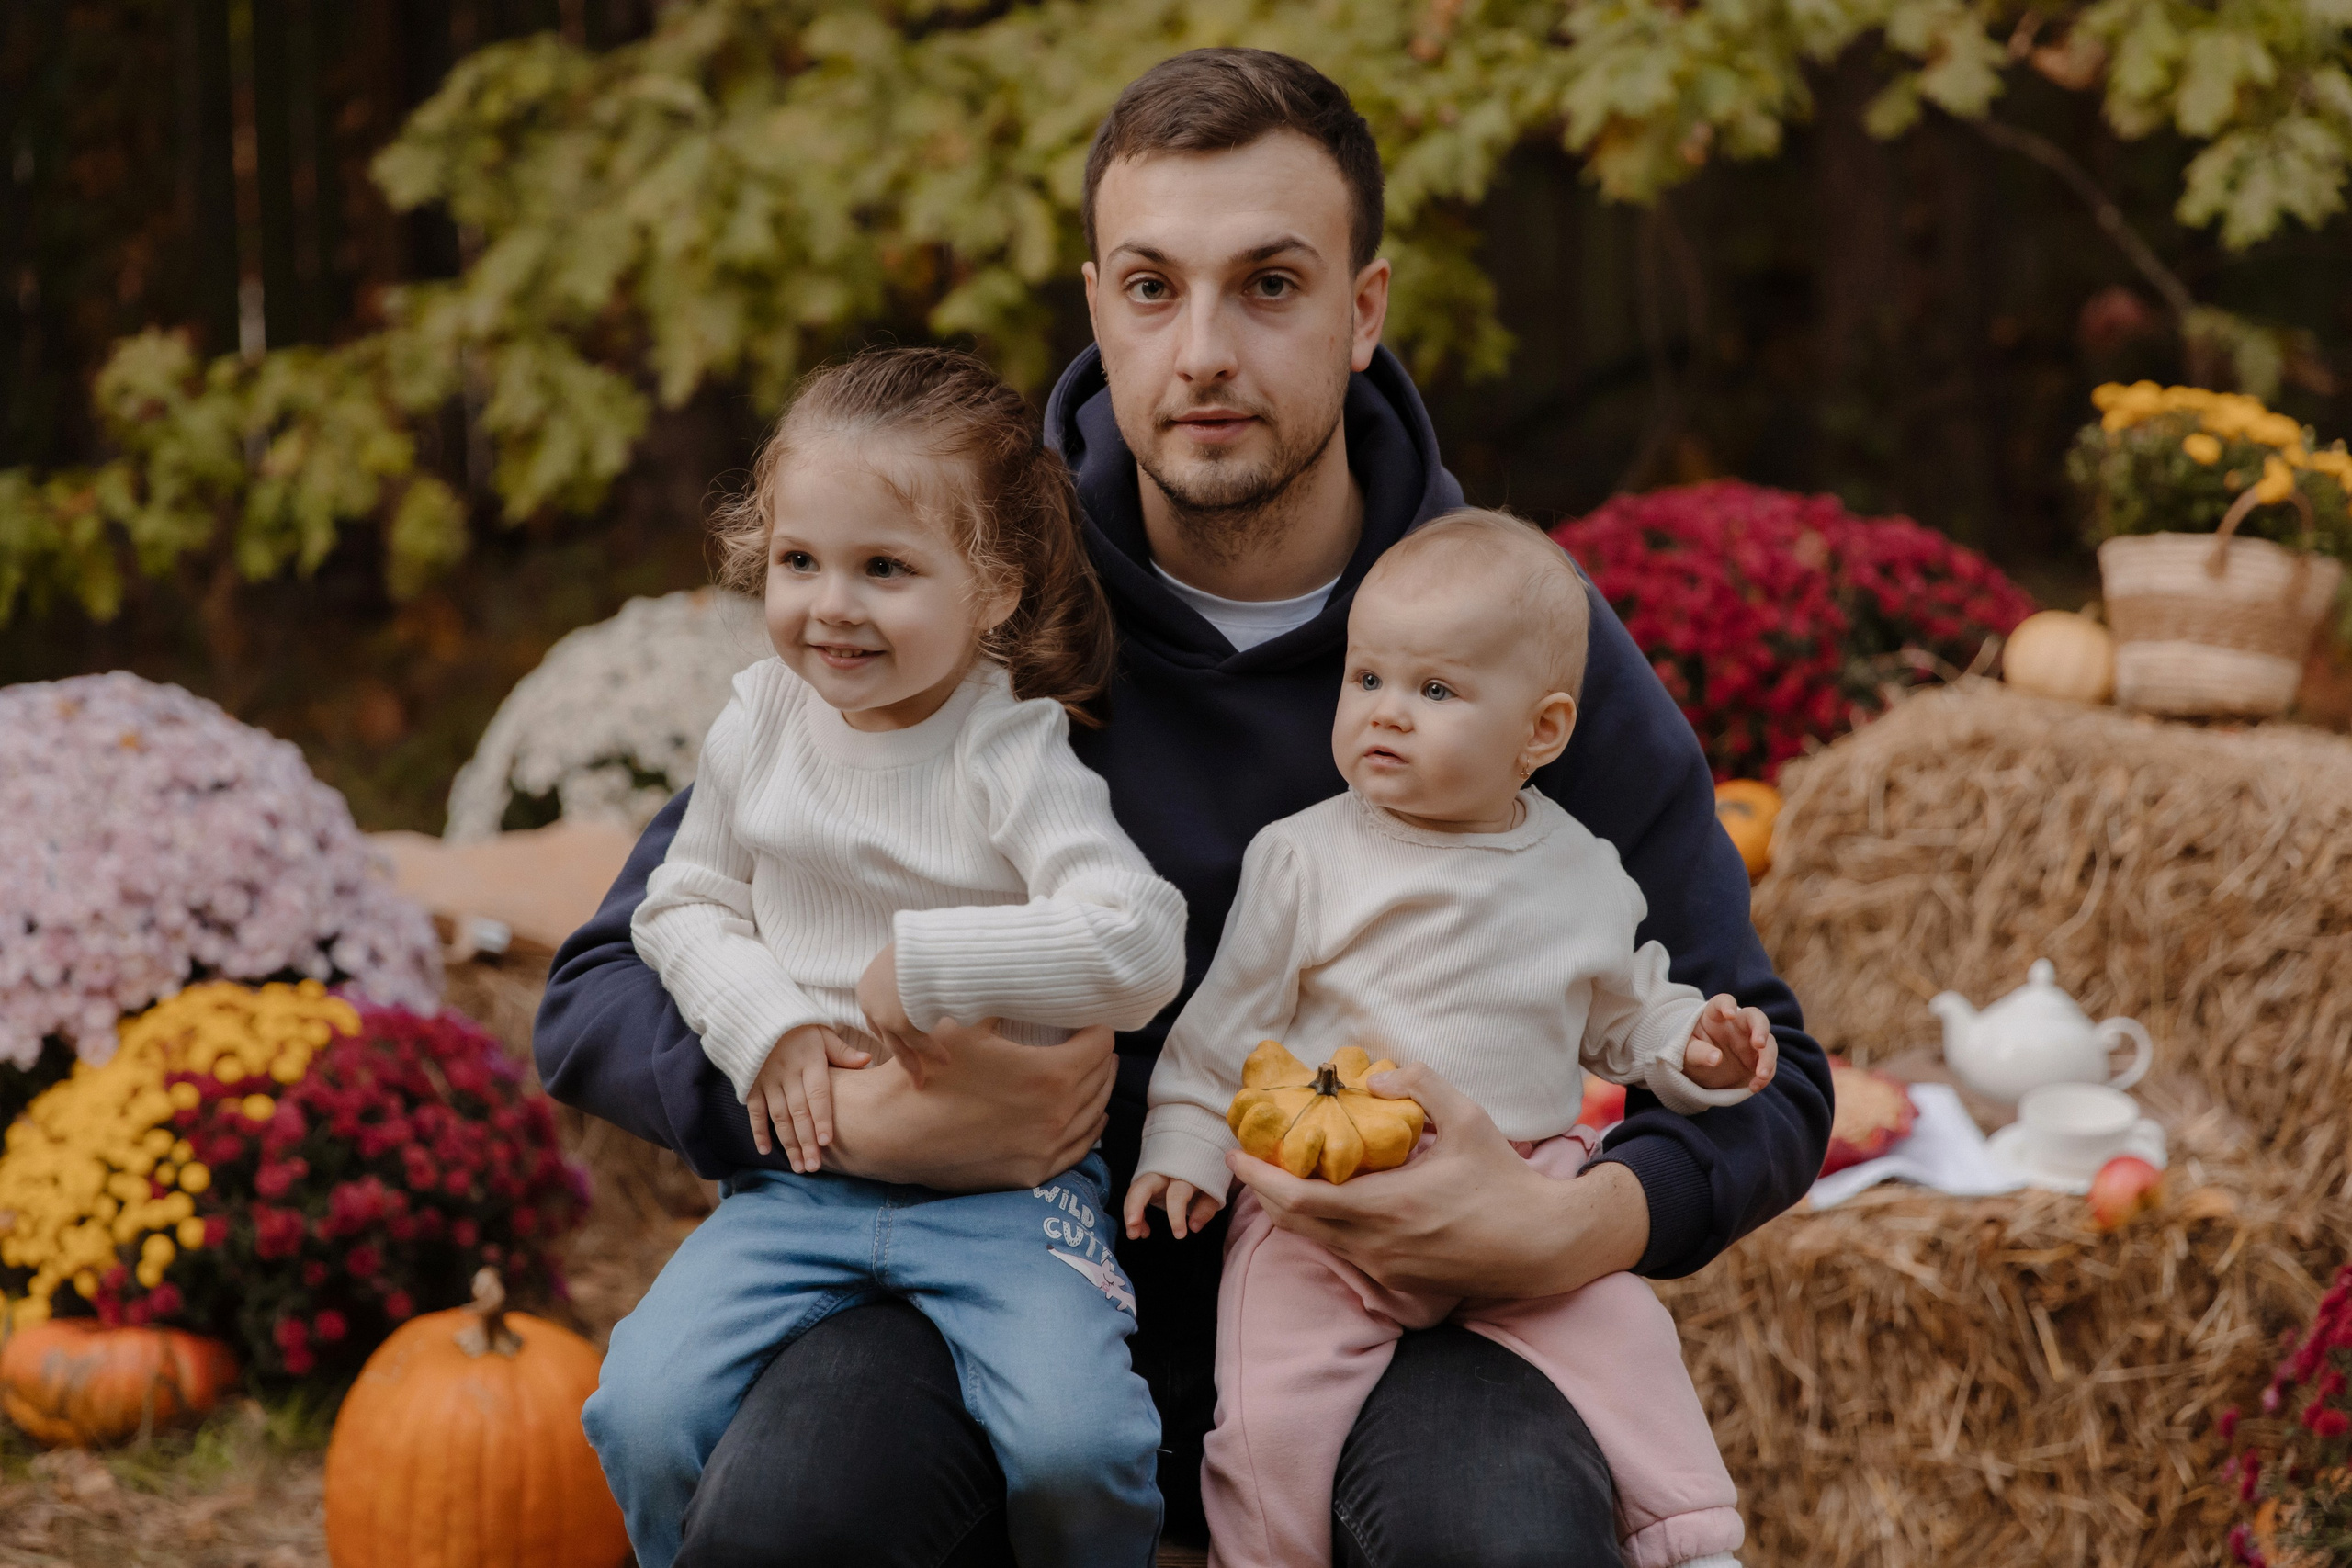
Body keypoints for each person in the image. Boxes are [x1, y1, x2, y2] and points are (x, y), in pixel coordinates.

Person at [537, 47, 1833, 1568]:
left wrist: (1577, 1221)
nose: (1203, 351)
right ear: (1099, 306)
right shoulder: (960, 591)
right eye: (1154, 288)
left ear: (1365, 310)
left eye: (1270, 286)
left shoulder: (1502, 636)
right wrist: (861, 1115)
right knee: (794, 1514)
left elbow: (1769, 1062)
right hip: (976, 1271)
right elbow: (605, 981)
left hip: (1399, 1307)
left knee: (1504, 1532)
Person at [581, 347, 1187, 1568]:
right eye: (800, 561)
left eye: (886, 569)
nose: (832, 606)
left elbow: (1139, 941)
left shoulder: (1009, 748)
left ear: (993, 590)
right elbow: (682, 902)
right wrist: (766, 1025)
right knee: (639, 1407)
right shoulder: (760, 721)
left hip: (1011, 1199)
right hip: (800, 1194)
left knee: (1079, 1444)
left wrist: (932, 964)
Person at [1127, 510, 1775, 1568]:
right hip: (1327, 1209)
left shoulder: (1581, 870)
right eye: (1366, 679)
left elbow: (1624, 1017)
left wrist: (1694, 1051)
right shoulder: (1304, 857)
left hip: (1526, 1187)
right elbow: (1226, 1029)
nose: (1386, 712)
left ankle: (1692, 1541)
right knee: (1266, 1416)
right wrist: (1186, 1143)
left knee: (1628, 1342)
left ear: (1541, 733)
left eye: (1434, 691)